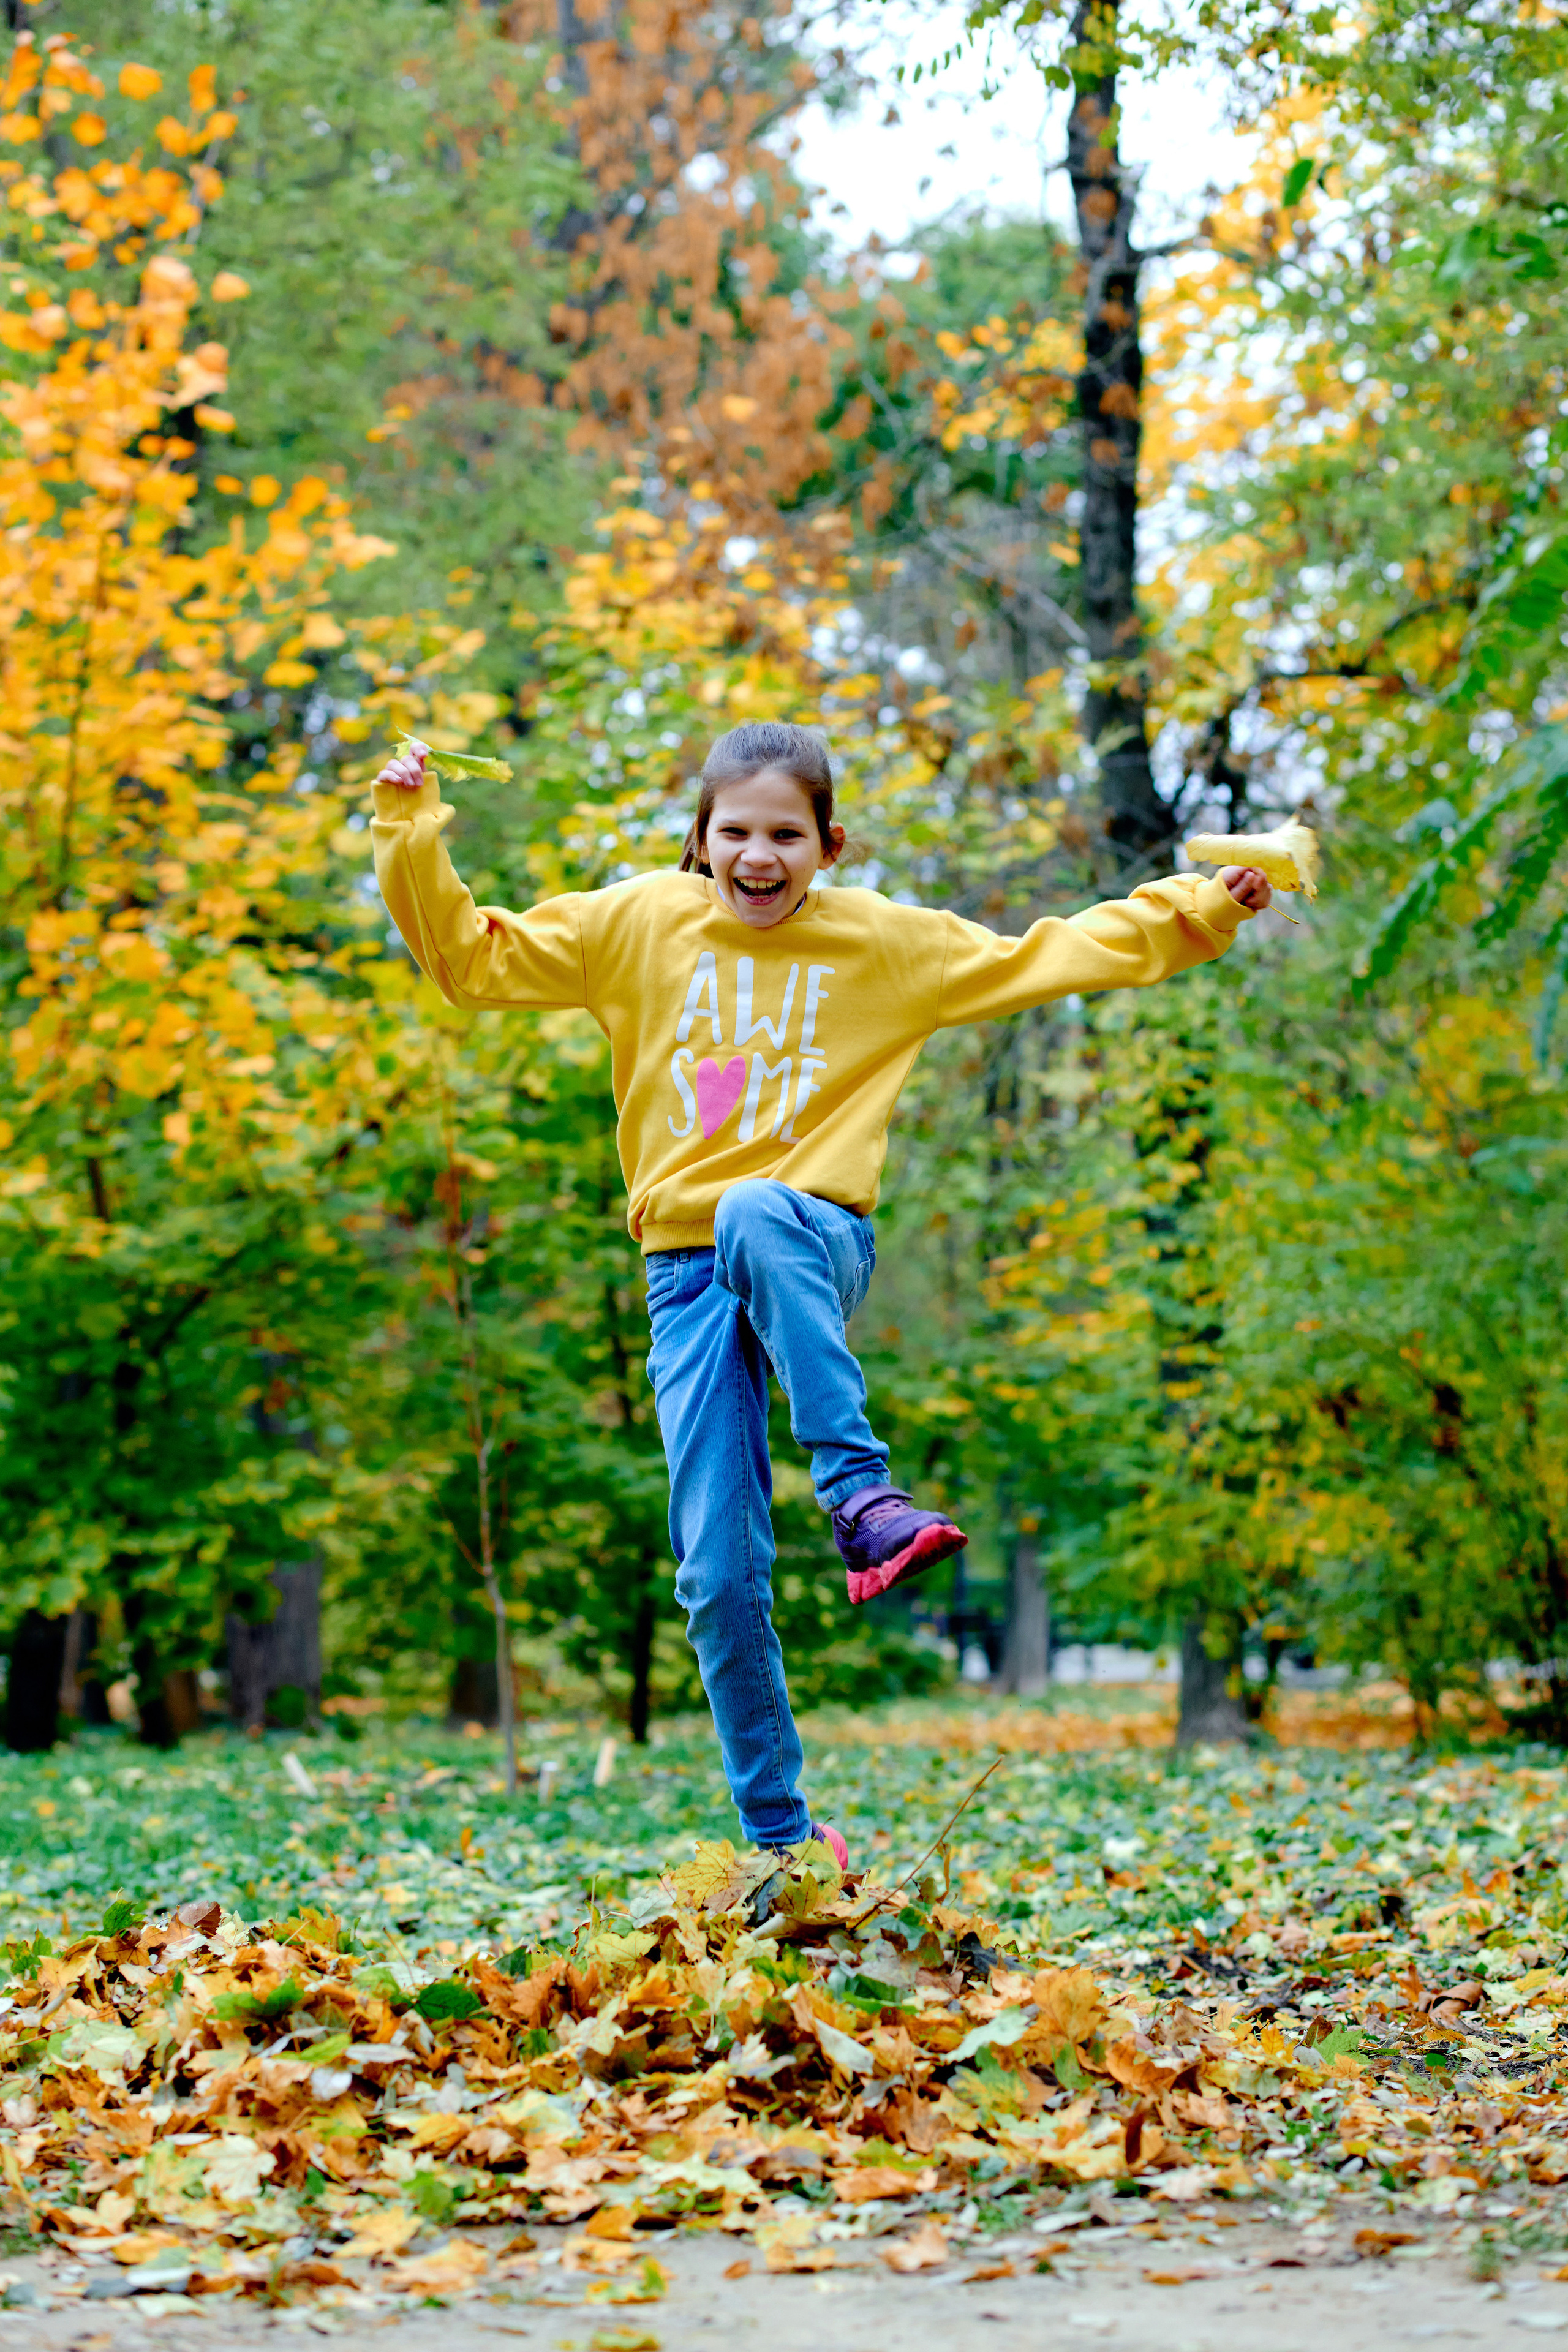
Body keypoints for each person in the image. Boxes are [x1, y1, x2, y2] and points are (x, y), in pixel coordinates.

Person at [371, 720, 1271, 1867]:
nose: (760, 856)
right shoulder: (635, 925)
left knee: (755, 1207)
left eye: (787, 836)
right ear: (701, 838)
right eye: (736, 833)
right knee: (715, 1571)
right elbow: (469, 961)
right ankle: (784, 1844)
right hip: (684, 1279)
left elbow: (1051, 954)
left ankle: (857, 1494)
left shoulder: (884, 943)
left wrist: (1205, 907)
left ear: (828, 845)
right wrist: (409, 827)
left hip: (816, 1238)